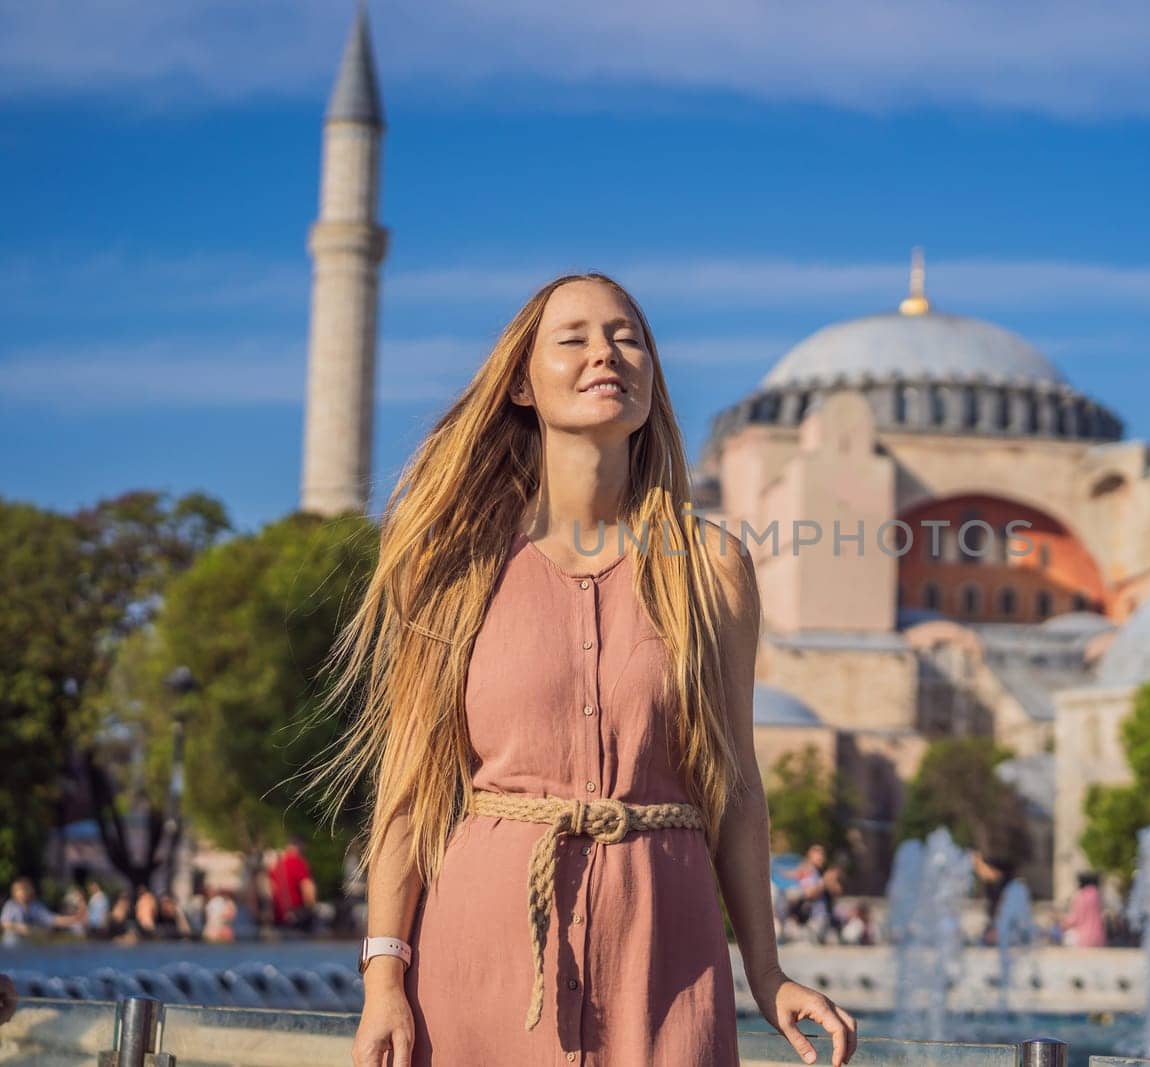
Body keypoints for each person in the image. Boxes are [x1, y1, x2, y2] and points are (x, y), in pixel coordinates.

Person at [301, 275, 857, 1066]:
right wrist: (384, 979)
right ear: (522, 385)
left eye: (627, 337)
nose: (606, 352)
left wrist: (766, 973)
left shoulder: (712, 566)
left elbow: (735, 785)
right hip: (484, 951)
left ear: (653, 377)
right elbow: (411, 789)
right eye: (574, 338)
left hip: (667, 950)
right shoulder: (450, 563)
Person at [1, 879, 75, 946]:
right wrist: (18, 927)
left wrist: (73, 919)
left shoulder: (35, 906)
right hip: (12, 944)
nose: (22, 894)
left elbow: (51, 919)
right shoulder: (10, 906)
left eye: (25, 890)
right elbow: (4, 923)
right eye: (19, 891)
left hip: (29, 944)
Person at [269, 837, 317, 933]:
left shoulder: (276, 866)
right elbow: (307, 887)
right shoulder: (297, 863)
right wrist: (311, 909)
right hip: (296, 918)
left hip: (278, 918)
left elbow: (271, 889)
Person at [1060, 872, 1106, 948]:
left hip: (1083, 938)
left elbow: (1075, 918)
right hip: (1099, 937)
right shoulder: (1098, 895)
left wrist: (1063, 923)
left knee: (1067, 938)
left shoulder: (1081, 896)